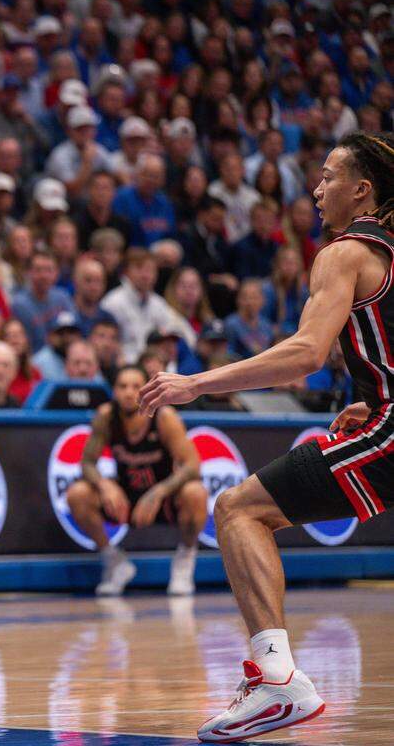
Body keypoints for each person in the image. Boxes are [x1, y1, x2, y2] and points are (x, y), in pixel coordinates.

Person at [139, 132, 394, 742]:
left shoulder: (344, 252)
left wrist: (198, 382)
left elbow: (306, 354)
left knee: (238, 509)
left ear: (361, 190)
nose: (316, 187)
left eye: (329, 176)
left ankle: (277, 681)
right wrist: (372, 395)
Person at [67, 365, 207, 596]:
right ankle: (114, 561)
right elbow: (87, 463)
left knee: (195, 492)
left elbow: (193, 465)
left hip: (164, 497)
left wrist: (159, 492)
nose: (129, 392)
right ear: (114, 391)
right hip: (126, 497)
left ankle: (184, 563)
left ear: (147, 389)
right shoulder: (106, 416)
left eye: (135, 386)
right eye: (122, 386)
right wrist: (104, 484)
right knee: (78, 494)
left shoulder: (164, 417)